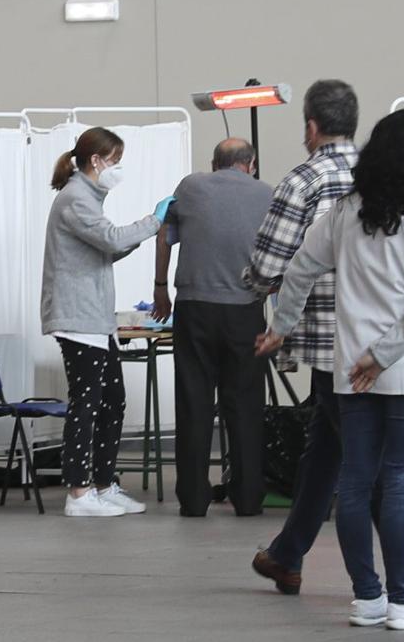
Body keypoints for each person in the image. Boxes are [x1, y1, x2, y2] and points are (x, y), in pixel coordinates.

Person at [256, 110, 404, 631]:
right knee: (399, 485)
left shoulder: (346, 211)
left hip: (350, 367)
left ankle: (368, 598)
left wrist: (282, 325)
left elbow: (299, 268)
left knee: (354, 484)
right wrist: (386, 354)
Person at [245, 80, 373, 591]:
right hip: (381, 341)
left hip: (326, 340)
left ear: (311, 127)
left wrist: (257, 287)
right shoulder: (379, 174)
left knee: (366, 462)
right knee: (325, 449)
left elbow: (269, 264)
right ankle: (287, 554)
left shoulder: (304, 180)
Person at [41, 126, 175, 517]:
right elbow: (112, 239)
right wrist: (154, 220)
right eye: (115, 160)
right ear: (97, 160)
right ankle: (79, 493)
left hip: (95, 319)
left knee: (112, 401)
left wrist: (136, 234)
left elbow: (106, 248)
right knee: (86, 404)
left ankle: (102, 483)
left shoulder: (88, 198)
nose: (118, 168)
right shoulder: (75, 198)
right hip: (77, 318)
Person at [151, 138, 273, 517]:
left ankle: (193, 499)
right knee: (245, 405)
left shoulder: (189, 186)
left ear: (213, 163)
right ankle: (248, 498)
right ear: (251, 164)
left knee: (194, 403)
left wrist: (160, 288)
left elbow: (165, 236)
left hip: (195, 308)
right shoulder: (266, 194)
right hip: (245, 310)